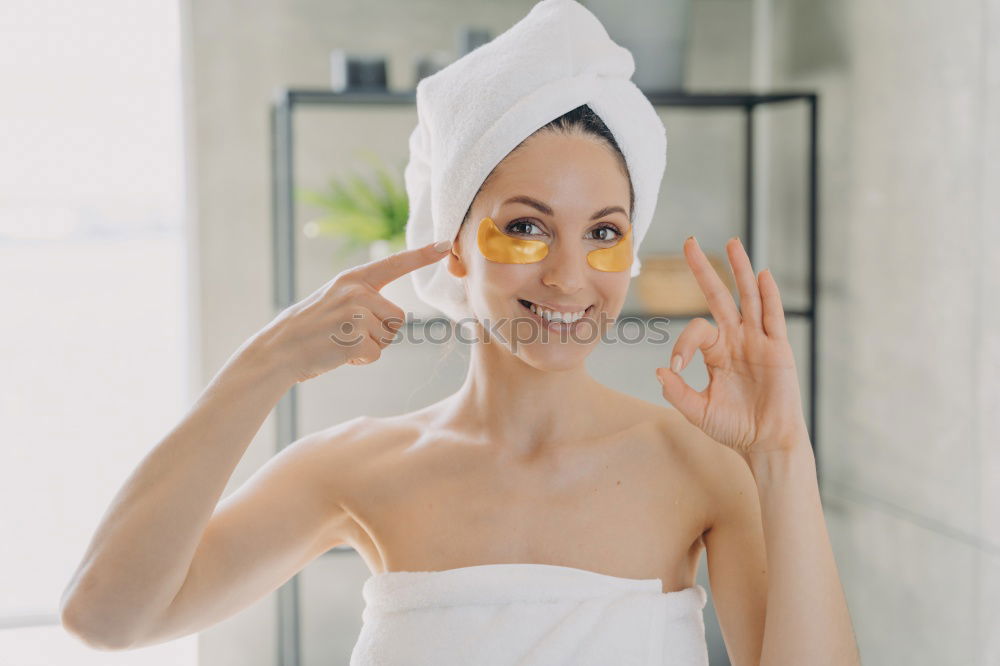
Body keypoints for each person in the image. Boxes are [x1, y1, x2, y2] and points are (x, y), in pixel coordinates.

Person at [61, 1, 860, 663]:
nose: (570, 277)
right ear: (452, 240)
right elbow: (107, 617)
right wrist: (261, 366)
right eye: (526, 226)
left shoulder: (703, 468)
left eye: (605, 232)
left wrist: (783, 455)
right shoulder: (357, 468)